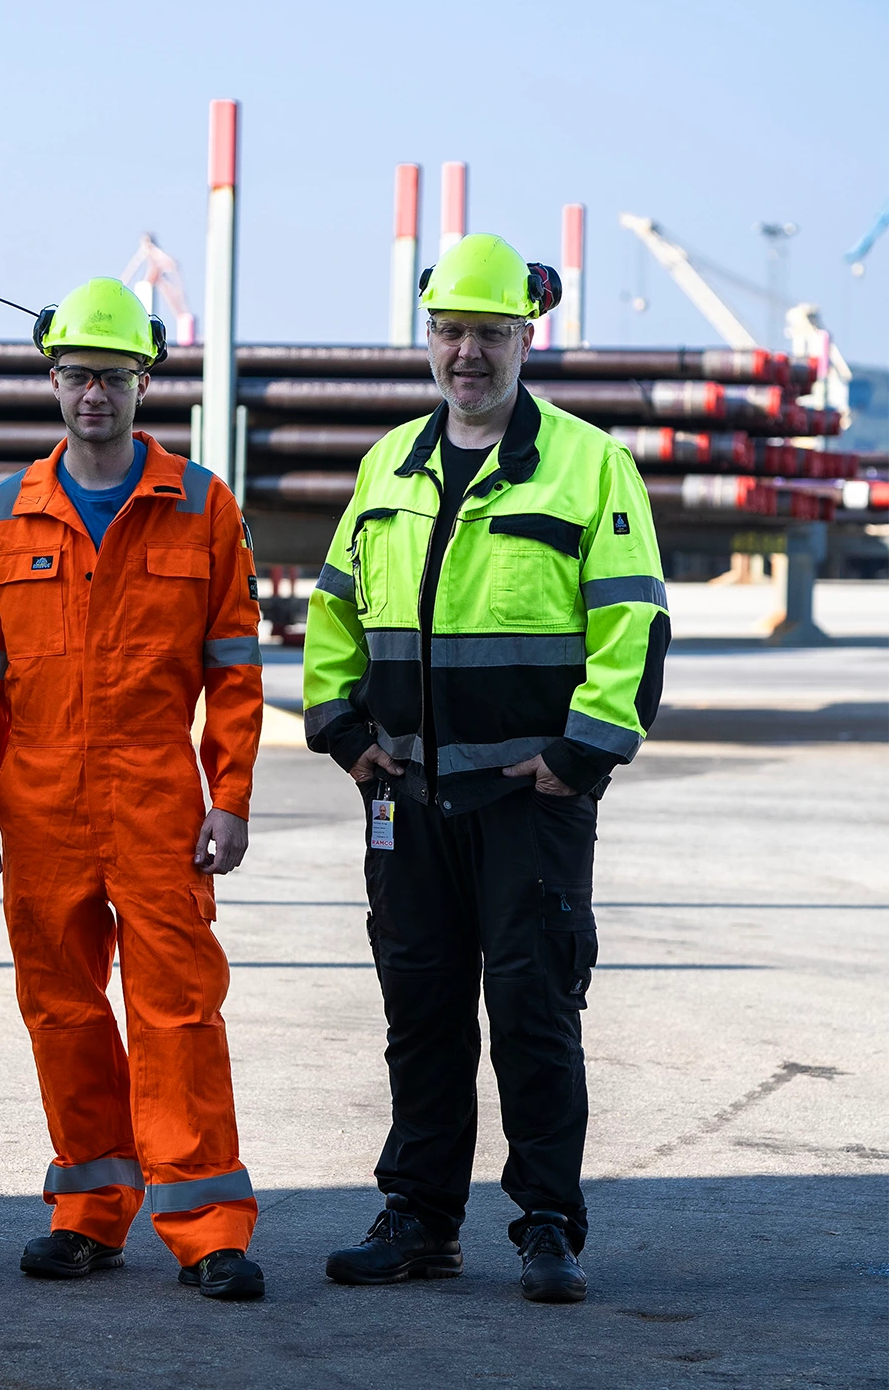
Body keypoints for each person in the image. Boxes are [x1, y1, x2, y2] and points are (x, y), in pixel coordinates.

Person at [302, 234, 669, 1304]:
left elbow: (634, 620)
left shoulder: (589, 464)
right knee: (419, 1013)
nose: (469, 352)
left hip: (525, 800)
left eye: (491, 333)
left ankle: (547, 1220)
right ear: (430, 337)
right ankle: (420, 1214)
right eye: (452, 331)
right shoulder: (389, 465)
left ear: (526, 337)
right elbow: (334, 608)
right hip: (406, 799)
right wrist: (341, 728)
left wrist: (580, 754)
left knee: (534, 1010)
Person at [0, 278, 267, 1300]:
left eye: (114, 377)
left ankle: (207, 1225)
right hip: (38, 805)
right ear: (53, 380)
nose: (94, 393)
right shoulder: (4, 512)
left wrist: (232, 793)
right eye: (79, 374)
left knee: (178, 1013)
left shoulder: (203, 505)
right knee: (64, 1012)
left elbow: (235, 670)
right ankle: (89, 1210)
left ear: (143, 382)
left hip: (159, 796)